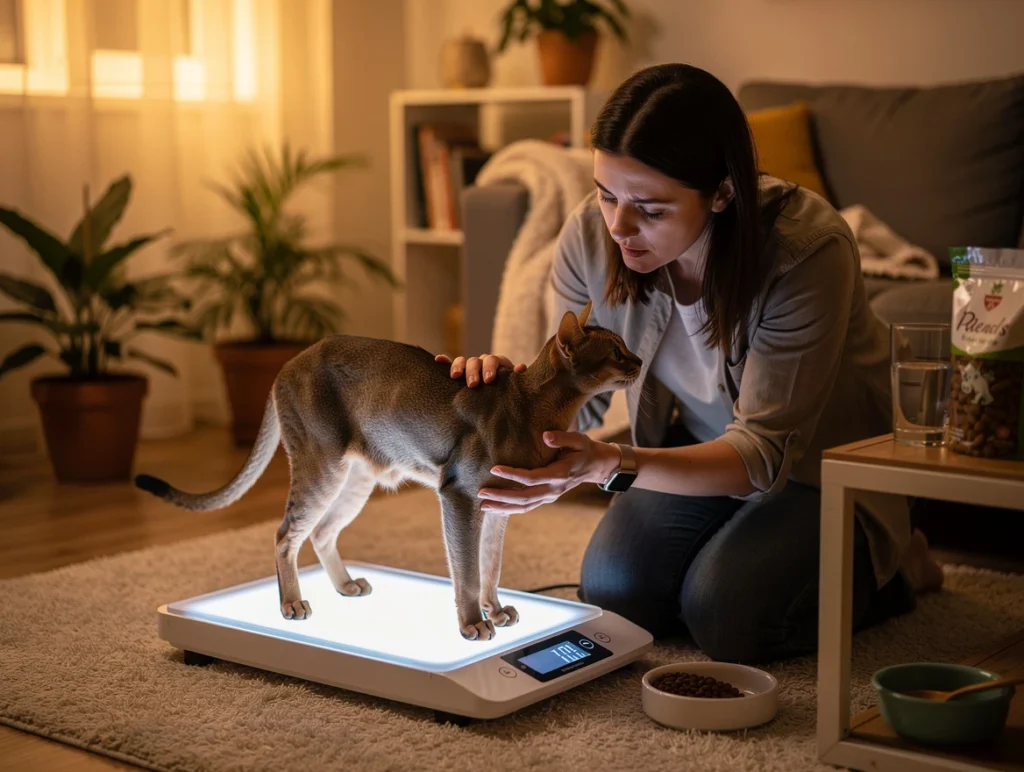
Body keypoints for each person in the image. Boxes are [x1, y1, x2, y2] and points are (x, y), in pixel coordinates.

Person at [436, 63, 943, 664]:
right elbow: (581, 398)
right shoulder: (588, 237)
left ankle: (897, 564)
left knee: (728, 615)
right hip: (699, 446)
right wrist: (507, 392)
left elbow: (761, 456)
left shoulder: (808, 254)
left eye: (650, 209)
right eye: (606, 194)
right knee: (616, 592)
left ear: (723, 192)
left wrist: (611, 464)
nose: (618, 227)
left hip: (818, 468)